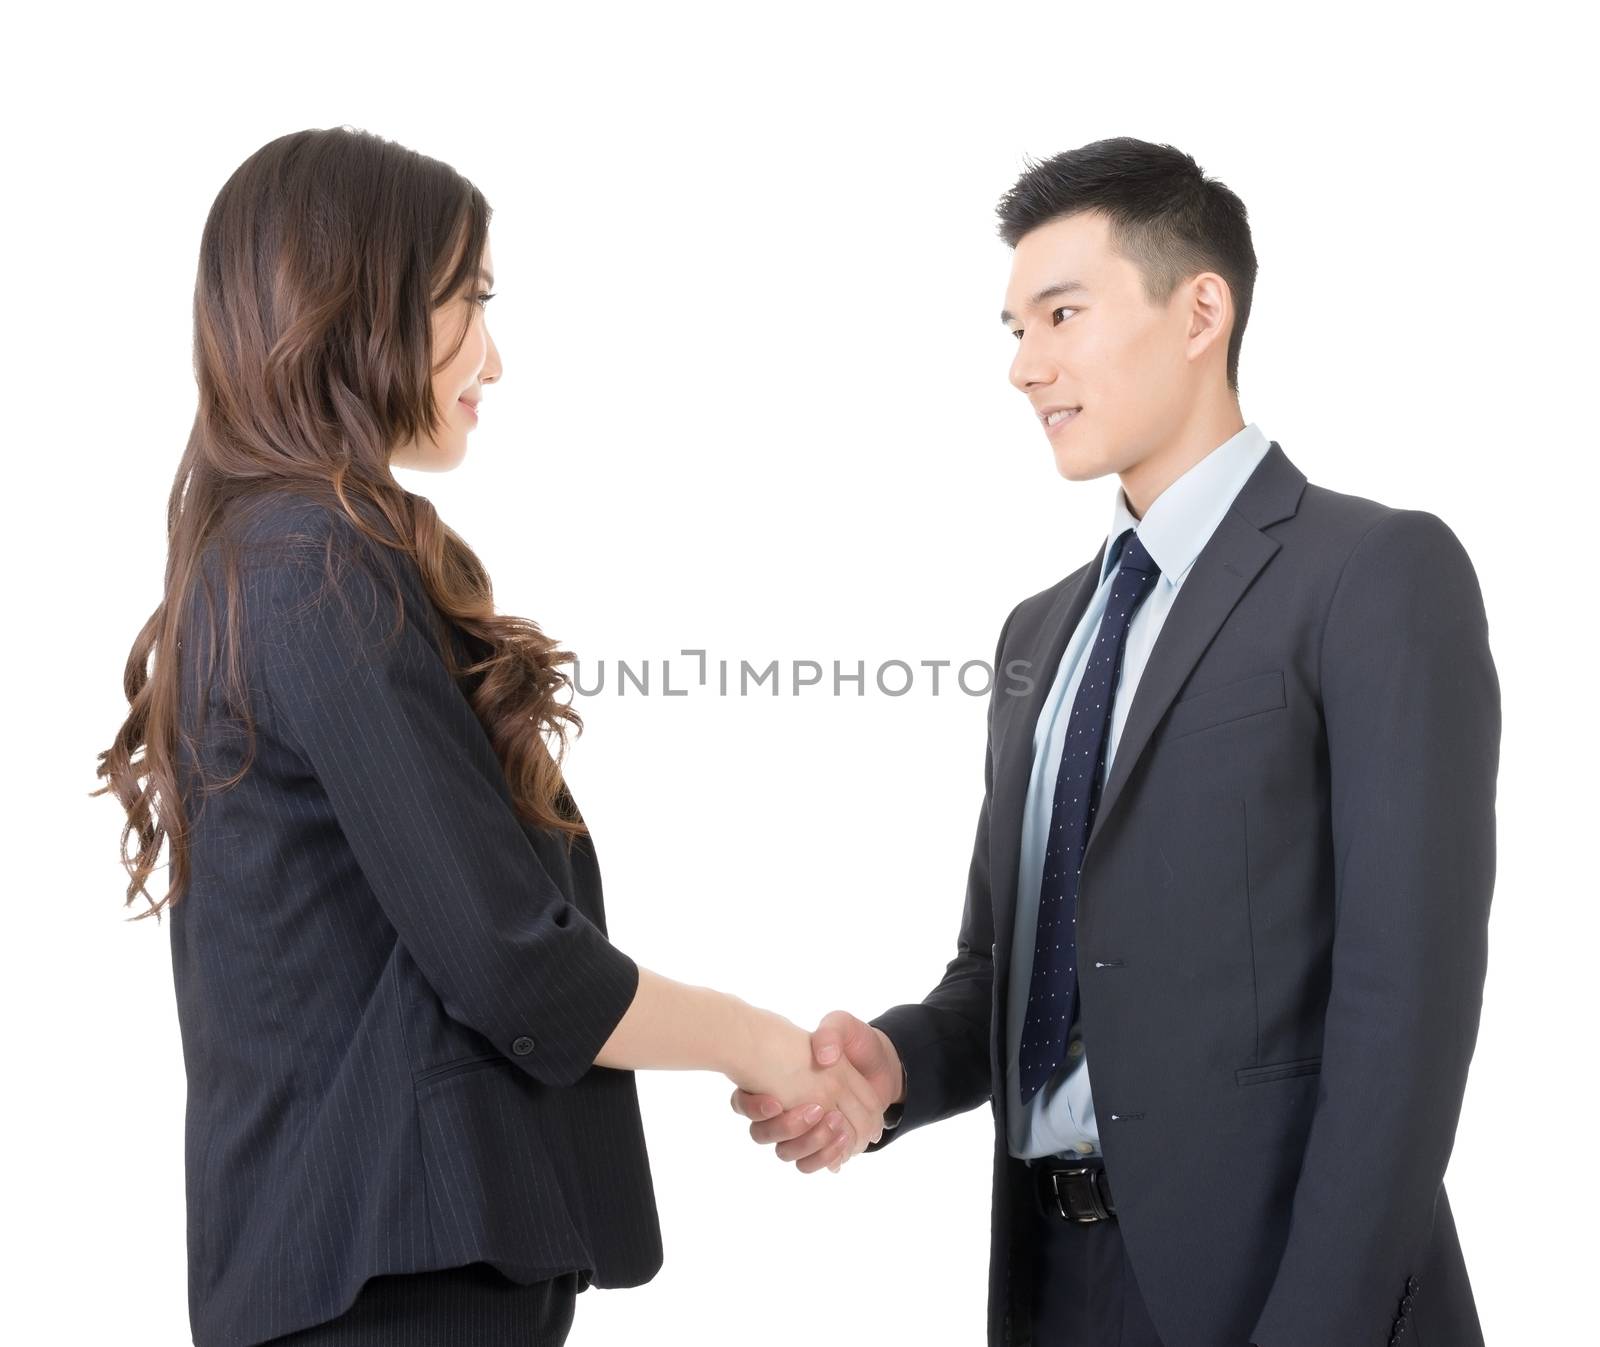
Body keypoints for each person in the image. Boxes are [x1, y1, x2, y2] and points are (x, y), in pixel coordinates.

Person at [94, 125, 885, 1347]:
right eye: (472, 301)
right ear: (362, 306)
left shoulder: (268, 560)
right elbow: (516, 965)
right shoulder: (312, 563)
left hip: (365, 1274)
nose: (496, 359)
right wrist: (768, 1043)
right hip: (394, 1282)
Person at [733, 137, 1500, 1347]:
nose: (1024, 366)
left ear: (1201, 310)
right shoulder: (1042, 630)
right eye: (1012, 330)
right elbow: (1011, 970)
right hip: (1048, 1282)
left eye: (1060, 315)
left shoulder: (1373, 574)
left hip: (1280, 1289)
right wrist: (892, 1066)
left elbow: (1405, 1006)